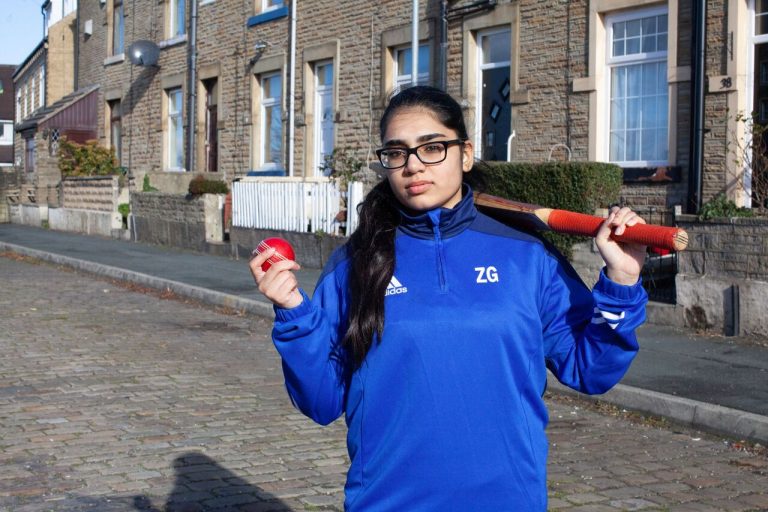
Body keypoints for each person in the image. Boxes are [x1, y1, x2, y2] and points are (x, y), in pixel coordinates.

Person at [249, 85, 648, 511]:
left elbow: (591, 369)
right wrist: (294, 314)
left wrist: (621, 283)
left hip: (507, 500)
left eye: (432, 147)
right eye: (397, 153)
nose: (414, 166)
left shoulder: (526, 255)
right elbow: (322, 400)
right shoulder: (357, 264)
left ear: (466, 153)